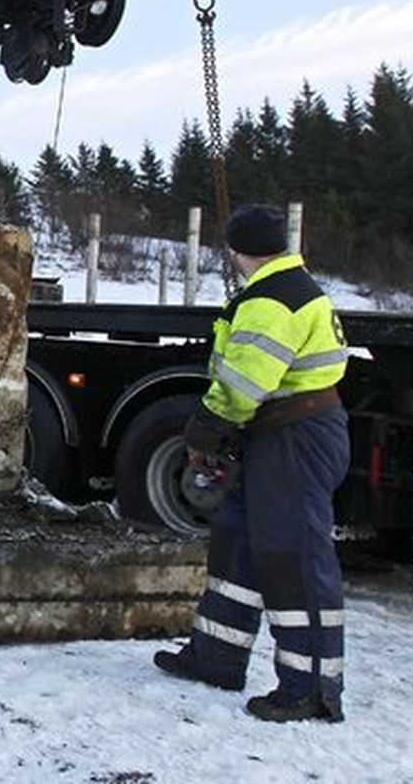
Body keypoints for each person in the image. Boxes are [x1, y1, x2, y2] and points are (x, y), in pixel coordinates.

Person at [152, 203, 351, 722]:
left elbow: (245, 384)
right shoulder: (293, 286)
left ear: (237, 250)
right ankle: (216, 655)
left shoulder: (271, 300)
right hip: (280, 430)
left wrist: (208, 424)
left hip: (293, 434)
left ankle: (311, 688)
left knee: (294, 556)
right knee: (238, 539)